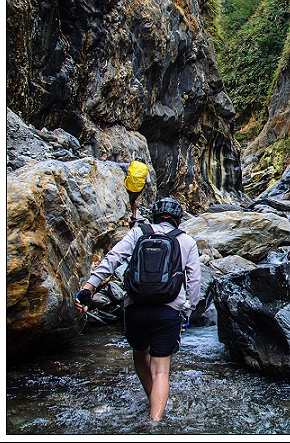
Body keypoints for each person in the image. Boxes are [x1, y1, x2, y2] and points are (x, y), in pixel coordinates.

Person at [75, 197, 201, 422]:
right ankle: (155, 422)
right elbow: (194, 283)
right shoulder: (187, 241)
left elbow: (113, 258)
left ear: (153, 216)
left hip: (135, 309)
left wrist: (89, 286)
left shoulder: (138, 233)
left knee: (140, 353)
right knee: (161, 369)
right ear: (179, 221)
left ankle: (151, 396)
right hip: (168, 311)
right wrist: (186, 314)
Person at [117, 156, 152, 225]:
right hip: (138, 189)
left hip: (128, 186)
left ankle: (126, 216)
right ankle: (134, 216)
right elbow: (148, 181)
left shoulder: (131, 164)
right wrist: (148, 189)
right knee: (133, 200)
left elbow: (119, 165)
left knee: (127, 199)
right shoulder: (145, 169)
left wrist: (106, 162)